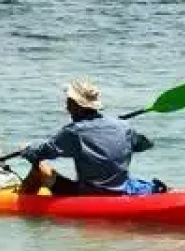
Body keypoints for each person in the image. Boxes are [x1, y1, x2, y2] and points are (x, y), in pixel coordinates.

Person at [18, 79, 165, 197]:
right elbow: (145, 145)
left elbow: (43, 151)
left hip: (88, 195)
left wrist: (26, 150)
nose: (66, 107)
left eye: (69, 102)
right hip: (121, 191)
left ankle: (21, 208)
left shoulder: (74, 132)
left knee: (41, 167)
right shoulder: (123, 127)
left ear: (77, 105)